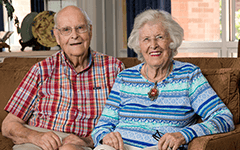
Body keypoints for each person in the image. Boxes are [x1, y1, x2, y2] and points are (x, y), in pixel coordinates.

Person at [91, 9, 235, 150]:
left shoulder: (189, 75)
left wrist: (184, 134)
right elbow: (102, 126)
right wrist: (105, 136)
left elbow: (224, 118)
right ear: (139, 46)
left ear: (172, 40)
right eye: (146, 39)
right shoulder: (125, 77)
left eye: (159, 37)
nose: (153, 45)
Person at [2, 5, 124, 150]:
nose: (74, 35)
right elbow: (9, 125)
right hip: (39, 141)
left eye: (80, 28)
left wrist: (87, 141)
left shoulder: (113, 69)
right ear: (57, 36)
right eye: (66, 30)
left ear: (90, 31)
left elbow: (128, 121)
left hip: (83, 144)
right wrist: (35, 136)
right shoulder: (41, 70)